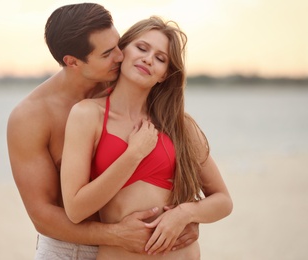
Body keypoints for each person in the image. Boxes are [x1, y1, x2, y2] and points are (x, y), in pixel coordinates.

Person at [7, 3, 198, 260]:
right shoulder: (31, 117)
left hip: (129, 248)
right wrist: (115, 234)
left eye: (118, 44)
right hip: (70, 249)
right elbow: (42, 215)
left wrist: (184, 218)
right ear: (72, 62)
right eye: (108, 53)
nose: (120, 56)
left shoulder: (124, 82)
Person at [60, 16, 233, 259]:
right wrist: (133, 155)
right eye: (142, 48)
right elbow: (76, 209)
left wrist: (184, 214)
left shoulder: (179, 125)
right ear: (123, 51)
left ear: (164, 74)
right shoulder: (88, 114)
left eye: (160, 58)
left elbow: (223, 201)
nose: (148, 59)